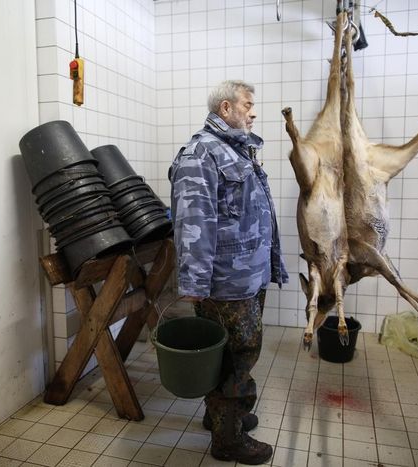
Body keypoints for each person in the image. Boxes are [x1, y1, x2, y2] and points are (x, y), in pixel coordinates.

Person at [168, 80, 288, 465]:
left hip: (248, 275)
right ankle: (228, 440)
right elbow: (193, 224)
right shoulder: (201, 154)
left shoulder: (238, 149)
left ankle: (221, 416)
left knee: (236, 354)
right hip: (226, 282)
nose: (253, 112)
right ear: (225, 108)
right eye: (247, 105)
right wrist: (195, 283)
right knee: (238, 357)